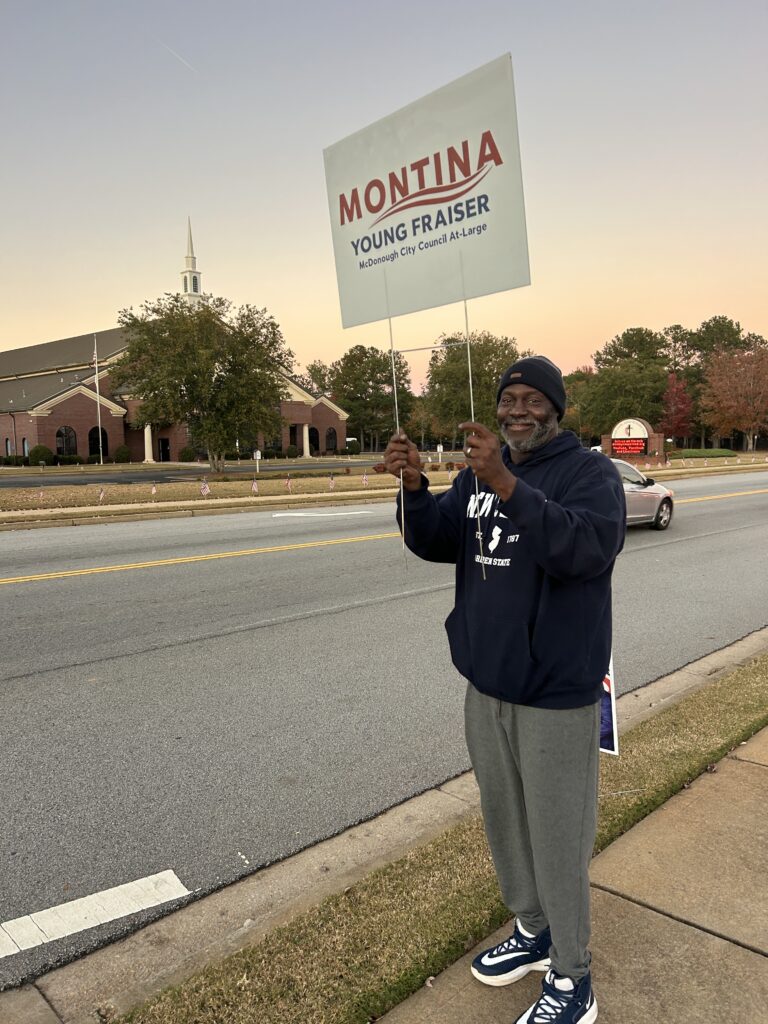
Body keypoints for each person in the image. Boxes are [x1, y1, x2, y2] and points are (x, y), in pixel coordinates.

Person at [383, 355, 625, 1024]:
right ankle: (533, 930)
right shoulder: (474, 477)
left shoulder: (589, 474)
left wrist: (506, 484)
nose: (517, 409)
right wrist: (414, 488)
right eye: (508, 399)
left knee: (557, 836)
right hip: (487, 685)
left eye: (531, 399)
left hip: (554, 691)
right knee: (507, 823)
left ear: (556, 409)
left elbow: (585, 550)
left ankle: (573, 977)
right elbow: (436, 540)